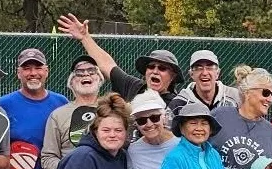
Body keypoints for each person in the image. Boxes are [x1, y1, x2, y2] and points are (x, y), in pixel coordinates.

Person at [54, 14, 183, 106]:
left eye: (162, 68)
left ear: (172, 76)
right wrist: (85, 38)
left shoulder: (176, 104)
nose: (155, 71)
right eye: (151, 66)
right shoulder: (134, 87)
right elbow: (107, 65)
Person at [174, 49, 240, 109]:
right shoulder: (179, 103)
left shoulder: (235, 97)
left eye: (209, 68)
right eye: (199, 68)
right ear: (191, 74)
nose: (204, 73)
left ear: (217, 73)